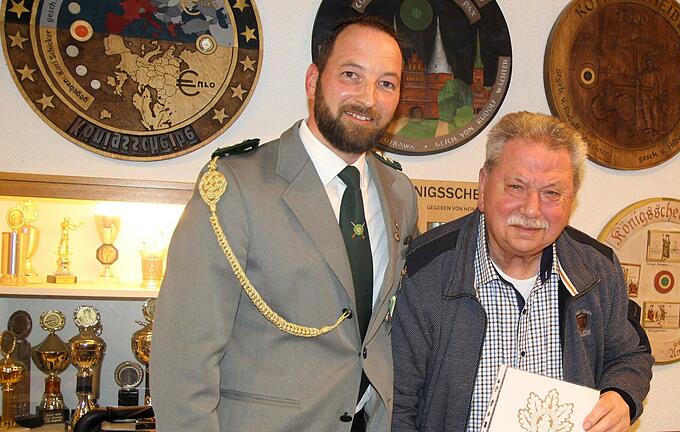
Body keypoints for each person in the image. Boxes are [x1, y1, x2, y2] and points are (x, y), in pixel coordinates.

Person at [152, 15, 418, 432]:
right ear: (314, 81)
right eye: (352, 75)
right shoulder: (236, 186)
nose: (368, 98)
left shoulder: (400, 193)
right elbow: (183, 356)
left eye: (387, 83)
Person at [391, 111, 652, 432]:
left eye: (552, 193)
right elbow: (397, 404)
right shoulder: (426, 269)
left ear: (572, 200)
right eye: (516, 186)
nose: (531, 209)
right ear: (483, 186)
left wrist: (621, 395)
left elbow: (630, 354)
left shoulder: (598, 269)